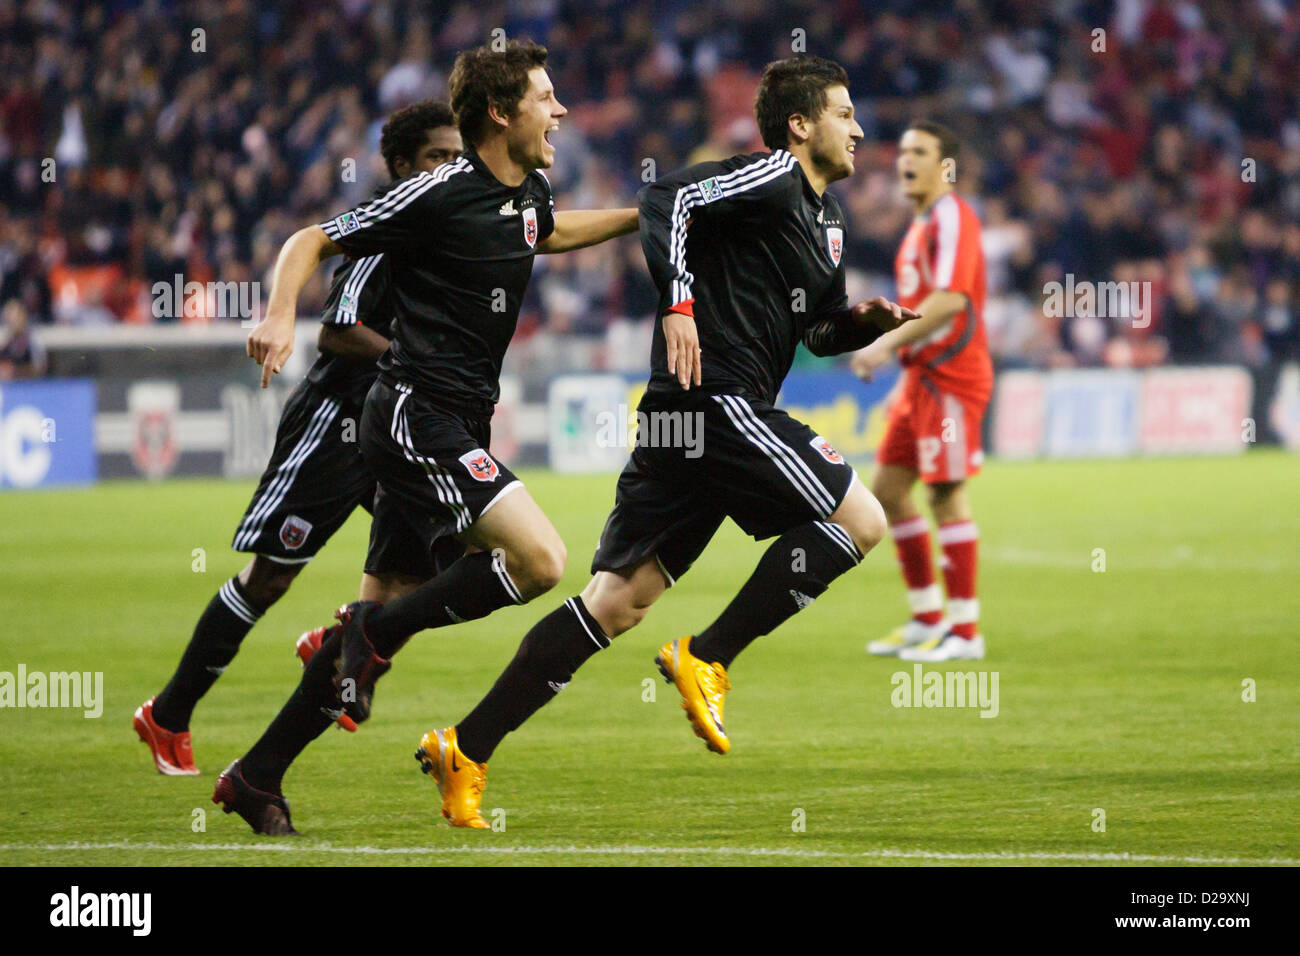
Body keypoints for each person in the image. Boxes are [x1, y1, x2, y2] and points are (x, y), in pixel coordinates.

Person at [412, 55, 917, 829]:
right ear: (799, 125)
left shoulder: (830, 223)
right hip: (715, 402)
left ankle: (466, 747)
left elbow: (815, 325)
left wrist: (857, 328)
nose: (859, 128)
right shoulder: (770, 176)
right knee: (862, 520)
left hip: (689, 425)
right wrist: (678, 306)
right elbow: (666, 197)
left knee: (616, 603)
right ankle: (709, 655)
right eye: (845, 114)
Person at [216, 40, 638, 834]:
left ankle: (257, 774)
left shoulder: (528, 188)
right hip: (415, 413)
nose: (563, 111)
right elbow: (312, 238)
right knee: (540, 560)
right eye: (548, 98)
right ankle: (370, 632)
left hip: (456, 418)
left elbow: (545, 231)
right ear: (501, 112)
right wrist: (278, 314)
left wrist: (637, 217)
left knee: (366, 651)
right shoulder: (438, 191)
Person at [134, 100, 464, 775]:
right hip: (337, 424)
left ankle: (344, 639)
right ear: (403, 165)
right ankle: (167, 715)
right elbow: (337, 329)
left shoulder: (445, 228)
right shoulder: (390, 229)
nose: (451, 169)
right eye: (438, 156)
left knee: (449, 556)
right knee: (271, 577)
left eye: (459, 158)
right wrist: (412, 360)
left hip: (398, 427)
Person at [853, 121, 992, 662]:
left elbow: (952, 300)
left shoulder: (953, 215)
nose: (906, 159)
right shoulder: (922, 223)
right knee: (887, 491)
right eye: (903, 150)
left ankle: (964, 632)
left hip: (953, 376)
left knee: (946, 494)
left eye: (921, 152)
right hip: (922, 380)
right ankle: (927, 617)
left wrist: (886, 346)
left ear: (947, 166)